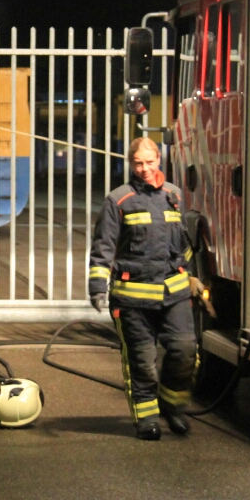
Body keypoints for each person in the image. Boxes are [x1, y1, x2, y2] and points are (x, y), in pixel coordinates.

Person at [87, 137, 195, 440]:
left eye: (149, 162)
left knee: (185, 350)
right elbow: (103, 247)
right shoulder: (118, 200)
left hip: (174, 294)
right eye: (138, 163)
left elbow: (183, 244)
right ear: (130, 164)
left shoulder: (174, 195)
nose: (145, 168)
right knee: (142, 362)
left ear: (159, 159)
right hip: (132, 299)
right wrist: (98, 287)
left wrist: (192, 277)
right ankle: (147, 419)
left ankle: (172, 406)